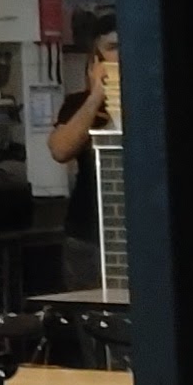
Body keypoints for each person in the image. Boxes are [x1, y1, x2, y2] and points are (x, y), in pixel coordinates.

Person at [47, 27, 119, 285]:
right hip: (87, 234)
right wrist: (96, 96)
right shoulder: (77, 104)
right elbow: (60, 149)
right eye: (113, 48)